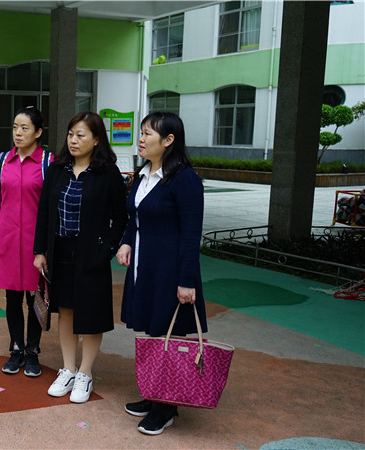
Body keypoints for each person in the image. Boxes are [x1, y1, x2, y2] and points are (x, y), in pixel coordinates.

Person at [116, 111, 208, 435]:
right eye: (141, 132)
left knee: (169, 335)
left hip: (170, 272)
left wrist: (186, 281)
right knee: (154, 333)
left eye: (148, 133)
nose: (141, 139)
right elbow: (135, 217)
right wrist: (126, 242)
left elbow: (191, 235)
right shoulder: (143, 175)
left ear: (169, 140)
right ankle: (155, 395)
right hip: (145, 268)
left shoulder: (184, 179)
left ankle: (166, 409)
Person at [32, 112, 128, 403]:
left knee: (92, 312)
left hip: (91, 254)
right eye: (71, 134)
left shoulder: (108, 173)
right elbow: (44, 212)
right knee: (66, 310)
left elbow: (120, 217)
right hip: (59, 251)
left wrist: (107, 249)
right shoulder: (57, 169)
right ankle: (68, 369)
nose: (73, 140)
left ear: (96, 140)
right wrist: (39, 251)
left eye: (81, 135)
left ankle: (85, 373)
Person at [0, 106, 53, 377]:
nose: (18, 133)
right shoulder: (3, 161)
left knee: (35, 298)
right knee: (12, 298)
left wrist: (47, 246)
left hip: (37, 244)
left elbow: (52, 205)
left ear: (38, 132)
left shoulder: (48, 162)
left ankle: (32, 352)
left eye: (24, 128)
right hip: (8, 241)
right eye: (15, 127)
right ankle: (16, 349)